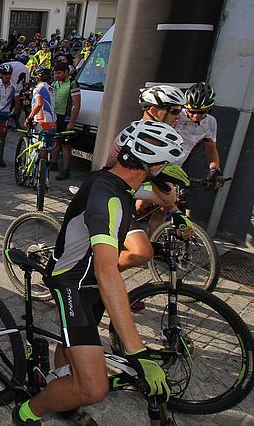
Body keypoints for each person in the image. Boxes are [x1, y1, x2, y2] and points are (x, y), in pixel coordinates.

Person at [13, 120, 180, 425]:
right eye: (165, 165)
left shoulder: (117, 181)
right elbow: (107, 271)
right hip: (72, 281)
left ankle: (62, 388)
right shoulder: (108, 198)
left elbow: (152, 194)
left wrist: (171, 205)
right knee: (93, 387)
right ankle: (26, 413)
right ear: (154, 167)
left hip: (87, 278)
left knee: (74, 347)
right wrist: (136, 349)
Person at [105, 85, 187, 269]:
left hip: (129, 197)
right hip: (113, 199)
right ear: (154, 110)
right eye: (174, 111)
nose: (179, 116)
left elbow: (162, 187)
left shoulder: (162, 136)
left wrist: (174, 210)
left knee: (142, 248)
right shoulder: (134, 138)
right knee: (140, 253)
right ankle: (97, 279)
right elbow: (110, 170)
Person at [174, 82, 223, 187]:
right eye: (192, 111)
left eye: (201, 112)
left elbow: (211, 148)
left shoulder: (211, 122)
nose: (196, 116)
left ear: (209, 108)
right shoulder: (176, 116)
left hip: (178, 166)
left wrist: (215, 169)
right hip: (161, 163)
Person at [50, 60, 82, 180]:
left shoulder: (73, 83)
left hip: (66, 117)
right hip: (56, 116)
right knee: (55, 140)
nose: (57, 76)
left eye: (59, 73)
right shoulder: (56, 83)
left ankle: (66, 169)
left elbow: (77, 105)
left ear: (66, 72)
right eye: (55, 73)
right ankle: (53, 163)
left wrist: (72, 122)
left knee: (65, 144)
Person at [24, 67, 57, 132]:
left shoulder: (38, 89)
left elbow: (39, 104)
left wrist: (28, 118)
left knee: (36, 142)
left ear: (38, 77)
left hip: (41, 123)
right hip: (53, 123)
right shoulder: (52, 89)